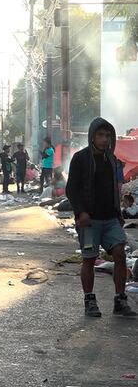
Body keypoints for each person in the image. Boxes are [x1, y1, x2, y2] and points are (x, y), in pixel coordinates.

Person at [66, 117, 136, 318]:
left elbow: (116, 188)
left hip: (110, 219)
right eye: (101, 135)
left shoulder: (112, 161)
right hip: (89, 221)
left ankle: (120, 301)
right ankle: (90, 300)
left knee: (120, 255)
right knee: (89, 259)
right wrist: (81, 212)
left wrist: (118, 212)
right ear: (92, 137)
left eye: (108, 135)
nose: (105, 139)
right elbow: (72, 189)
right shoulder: (81, 158)